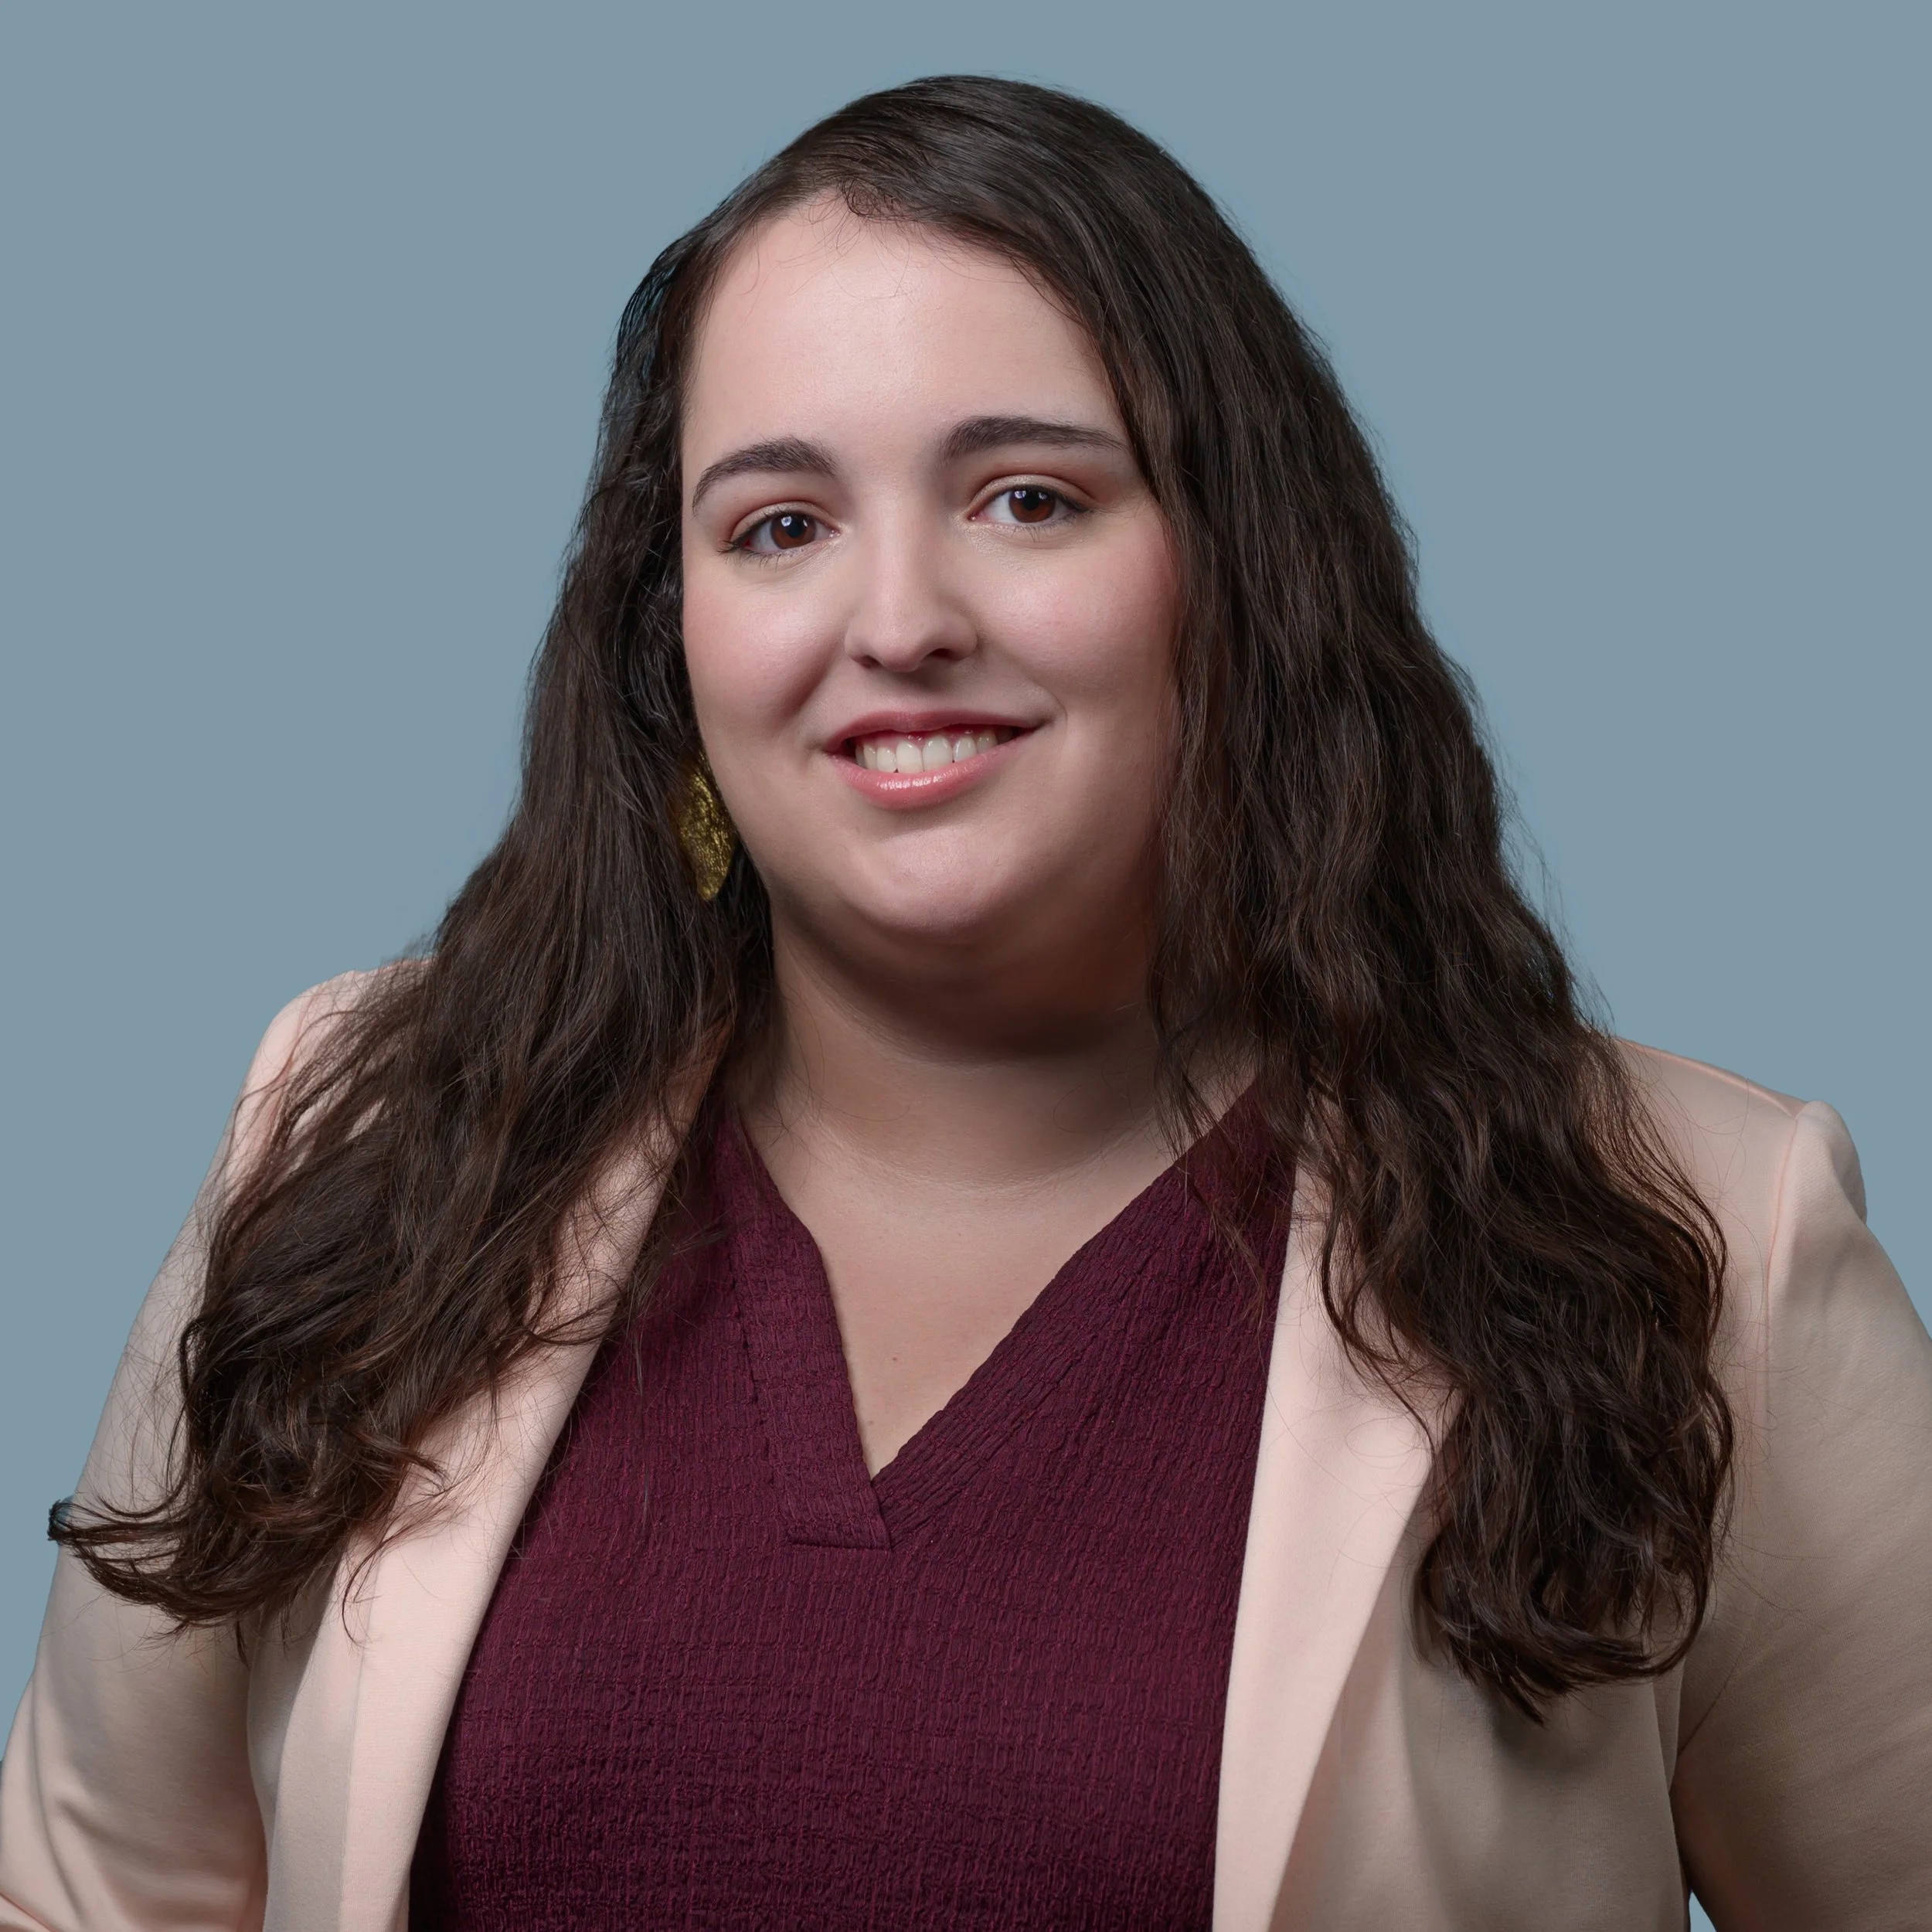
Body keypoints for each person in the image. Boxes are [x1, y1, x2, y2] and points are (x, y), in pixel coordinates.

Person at [3, 74, 1927, 1932]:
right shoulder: (351, 1135)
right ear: (665, 644)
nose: (899, 615)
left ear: (1237, 572)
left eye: (1025, 496)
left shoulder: (1701, 1242)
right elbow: (93, 1898)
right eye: (777, 524)